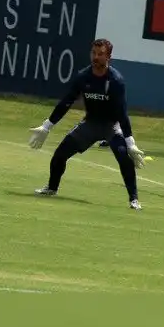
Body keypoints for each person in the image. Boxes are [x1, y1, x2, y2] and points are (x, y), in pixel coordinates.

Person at [28, 38, 145, 210]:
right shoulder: (83, 77)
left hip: (112, 126)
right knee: (60, 154)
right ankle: (51, 188)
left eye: (100, 54)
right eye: (94, 53)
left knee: (124, 157)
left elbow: (122, 113)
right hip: (90, 124)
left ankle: (133, 199)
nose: (96, 57)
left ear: (108, 58)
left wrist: (131, 143)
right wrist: (47, 126)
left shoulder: (115, 81)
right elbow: (66, 102)